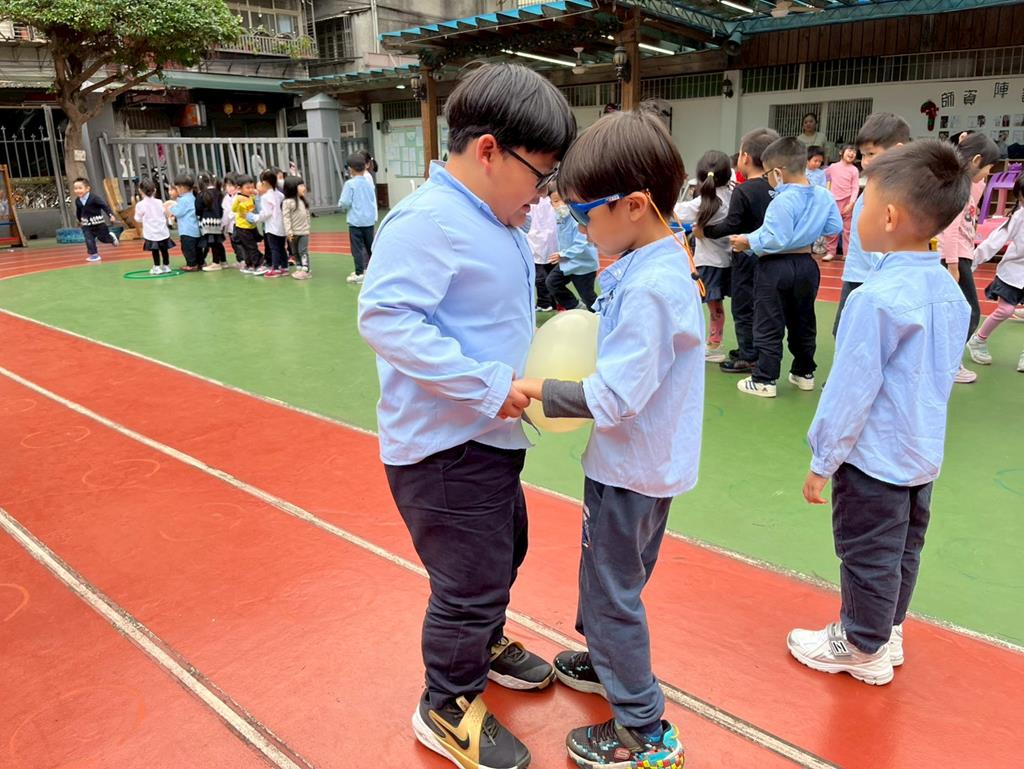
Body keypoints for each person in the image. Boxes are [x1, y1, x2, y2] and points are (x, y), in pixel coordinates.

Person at [356, 63, 575, 769]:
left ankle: (484, 640)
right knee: (469, 580)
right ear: (488, 151)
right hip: (444, 448)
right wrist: (484, 384)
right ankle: (446, 704)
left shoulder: (494, 217)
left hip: (491, 435)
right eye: (538, 174)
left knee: (505, 549)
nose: (541, 192)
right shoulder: (429, 221)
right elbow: (386, 318)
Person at [512, 109, 700, 769]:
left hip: (630, 468)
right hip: (647, 464)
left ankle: (645, 730)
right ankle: (605, 661)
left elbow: (616, 397)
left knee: (611, 592)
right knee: (614, 577)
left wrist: (537, 388)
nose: (582, 229)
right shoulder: (655, 259)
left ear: (635, 205)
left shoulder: (651, 285)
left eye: (586, 215)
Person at [790, 140, 972, 686]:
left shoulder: (875, 298)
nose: (857, 214)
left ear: (889, 217)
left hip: (873, 459)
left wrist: (823, 460)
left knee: (867, 551)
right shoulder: (951, 293)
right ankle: (887, 629)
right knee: (903, 549)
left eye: (864, 202)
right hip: (921, 454)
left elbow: (850, 392)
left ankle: (861, 643)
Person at [729, 137, 842, 398]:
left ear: (778, 172)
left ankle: (764, 378)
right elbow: (834, 227)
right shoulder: (824, 195)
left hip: (775, 267)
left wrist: (746, 242)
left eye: (768, 173)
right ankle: (804, 372)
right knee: (804, 320)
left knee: (769, 322)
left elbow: (775, 239)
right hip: (806, 265)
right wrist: (807, 230)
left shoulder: (782, 200)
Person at [700, 128, 780, 375]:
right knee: (762, 305)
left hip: (746, 256)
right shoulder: (776, 189)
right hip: (770, 257)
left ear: (745, 157)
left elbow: (731, 225)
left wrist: (706, 231)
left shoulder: (743, 191)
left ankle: (748, 355)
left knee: (743, 308)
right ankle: (756, 349)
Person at [832, 113, 911, 337]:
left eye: (871, 154)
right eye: (863, 154)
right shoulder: (876, 184)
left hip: (873, 280)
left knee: (862, 337)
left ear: (897, 150)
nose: (865, 161)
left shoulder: (894, 191)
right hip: (858, 274)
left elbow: (888, 241)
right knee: (845, 333)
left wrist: (882, 279)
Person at [938, 131, 999, 383]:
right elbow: (949, 228)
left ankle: (945, 360)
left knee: (954, 311)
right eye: (988, 168)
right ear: (976, 160)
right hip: (954, 257)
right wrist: (953, 264)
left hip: (960, 256)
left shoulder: (965, 184)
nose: (988, 174)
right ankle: (948, 364)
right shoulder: (957, 187)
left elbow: (977, 189)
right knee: (970, 311)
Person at [675, 149, 733, 363]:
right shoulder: (730, 195)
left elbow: (676, 211)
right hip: (723, 260)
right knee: (714, 305)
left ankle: (712, 345)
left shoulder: (705, 202)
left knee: (699, 303)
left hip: (708, 263)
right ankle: (713, 342)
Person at [967, 173, 1024, 372]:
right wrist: (973, 260)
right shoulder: (1018, 217)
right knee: (1005, 310)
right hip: (1013, 273)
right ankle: (978, 340)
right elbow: (995, 240)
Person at [546, 189, 599, 311]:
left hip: (583, 264)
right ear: (551, 203)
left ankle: (601, 315)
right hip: (567, 261)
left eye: (563, 200)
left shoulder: (577, 217)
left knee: (588, 297)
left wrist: (563, 254)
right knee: (552, 282)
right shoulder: (559, 216)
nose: (560, 204)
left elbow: (581, 243)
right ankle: (575, 306)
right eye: (556, 201)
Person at [338, 153, 378, 285]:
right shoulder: (368, 182)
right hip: (369, 221)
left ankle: (359, 273)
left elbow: (345, 202)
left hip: (356, 221)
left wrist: (341, 205)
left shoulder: (350, 184)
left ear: (350, 169)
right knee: (370, 247)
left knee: (357, 249)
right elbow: (372, 200)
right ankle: (373, 271)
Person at [823, 144, 859, 261]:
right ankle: (831, 252)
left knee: (847, 230)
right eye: (849, 150)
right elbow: (825, 177)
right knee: (833, 228)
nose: (852, 153)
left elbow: (855, 188)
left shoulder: (854, 170)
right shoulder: (833, 167)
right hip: (833, 202)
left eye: (854, 152)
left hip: (848, 202)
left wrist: (851, 203)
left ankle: (846, 253)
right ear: (841, 152)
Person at [525, 187, 559, 312]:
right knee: (549, 272)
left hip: (537, 240)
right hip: (549, 240)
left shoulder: (538, 202)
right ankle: (552, 301)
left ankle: (544, 303)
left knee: (540, 274)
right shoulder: (549, 201)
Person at [73, 177, 119, 262]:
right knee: (89, 239)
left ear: (87, 189)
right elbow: (78, 212)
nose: (77, 190)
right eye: (75, 188)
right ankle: (94, 255)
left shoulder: (94, 198)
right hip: (87, 224)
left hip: (99, 224)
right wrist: (80, 220)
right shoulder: (77, 201)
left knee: (103, 239)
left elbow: (104, 206)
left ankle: (111, 238)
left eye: (80, 188)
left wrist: (110, 215)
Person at [133, 178, 173, 274]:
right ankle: (166, 266)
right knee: (164, 250)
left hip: (151, 232)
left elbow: (137, 218)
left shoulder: (140, 205)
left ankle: (157, 267)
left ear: (140, 191)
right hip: (162, 230)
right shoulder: (159, 202)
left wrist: (143, 219)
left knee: (155, 250)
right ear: (154, 190)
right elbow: (164, 213)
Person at [254, 169, 287, 277]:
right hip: (281, 225)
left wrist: (256, 218)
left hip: (272, 226)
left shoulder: (265, 197)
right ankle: (284, 267)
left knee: (274, 248)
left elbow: (266, 213)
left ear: (264, 182)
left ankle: (275, 268)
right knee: (281, 247)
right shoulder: (280, 195)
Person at [167, 175, 201, 272]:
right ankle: (200, 262)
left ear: (182, 188)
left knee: (187, 248)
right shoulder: (192, 197)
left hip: (187, 230)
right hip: (195, 229)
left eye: (177, 188)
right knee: (196, 248)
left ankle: (192, 264)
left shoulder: (184, 200)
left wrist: (170, 209)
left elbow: (178, 212)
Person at [282, 175, 312, 280]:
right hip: (293, 233)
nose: (304, 188)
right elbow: (286, 218)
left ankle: (306, 270)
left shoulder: (303, 200)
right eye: (301, 186)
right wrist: (288, 232)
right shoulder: (287, 202)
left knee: (303, 251)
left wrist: (307, 226)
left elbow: (307, 215)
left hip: (303, 232)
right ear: (292, 188)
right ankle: (299, 268)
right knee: (295, 251)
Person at [196, 172, 227, 272]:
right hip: (218, 221)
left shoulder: (201, 194)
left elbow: (198, 209)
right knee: (218, 242)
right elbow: (222, 207)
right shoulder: (219, 193)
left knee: (213, 243)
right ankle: (223, 261)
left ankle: (215, 262)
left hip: (207, 221)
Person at [231, 175, 262, 273]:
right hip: (242, 227)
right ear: (239, 188)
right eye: (248, 188)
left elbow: (256, 206)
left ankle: (249, 265)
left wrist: (257, 194)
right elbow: (233, 209)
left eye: (252, 187)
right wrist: (238, 200)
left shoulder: (251, 196)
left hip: (251, 226)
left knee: (249, 246)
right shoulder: (239, 198)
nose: (250, 189)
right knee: (251, 246)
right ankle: (257, 265)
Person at [222, 173, 243, 269]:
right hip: (230, 226)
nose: (229, 188)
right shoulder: (227, 198)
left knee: (240, 244)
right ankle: (240, 260)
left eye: (231, 185)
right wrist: (223, 224)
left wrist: (230, 215)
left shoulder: (240, 196)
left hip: (239, 224)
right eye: (227, 185)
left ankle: (244, 260)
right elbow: (225, 212)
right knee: (234, 244)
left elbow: (238, 210)